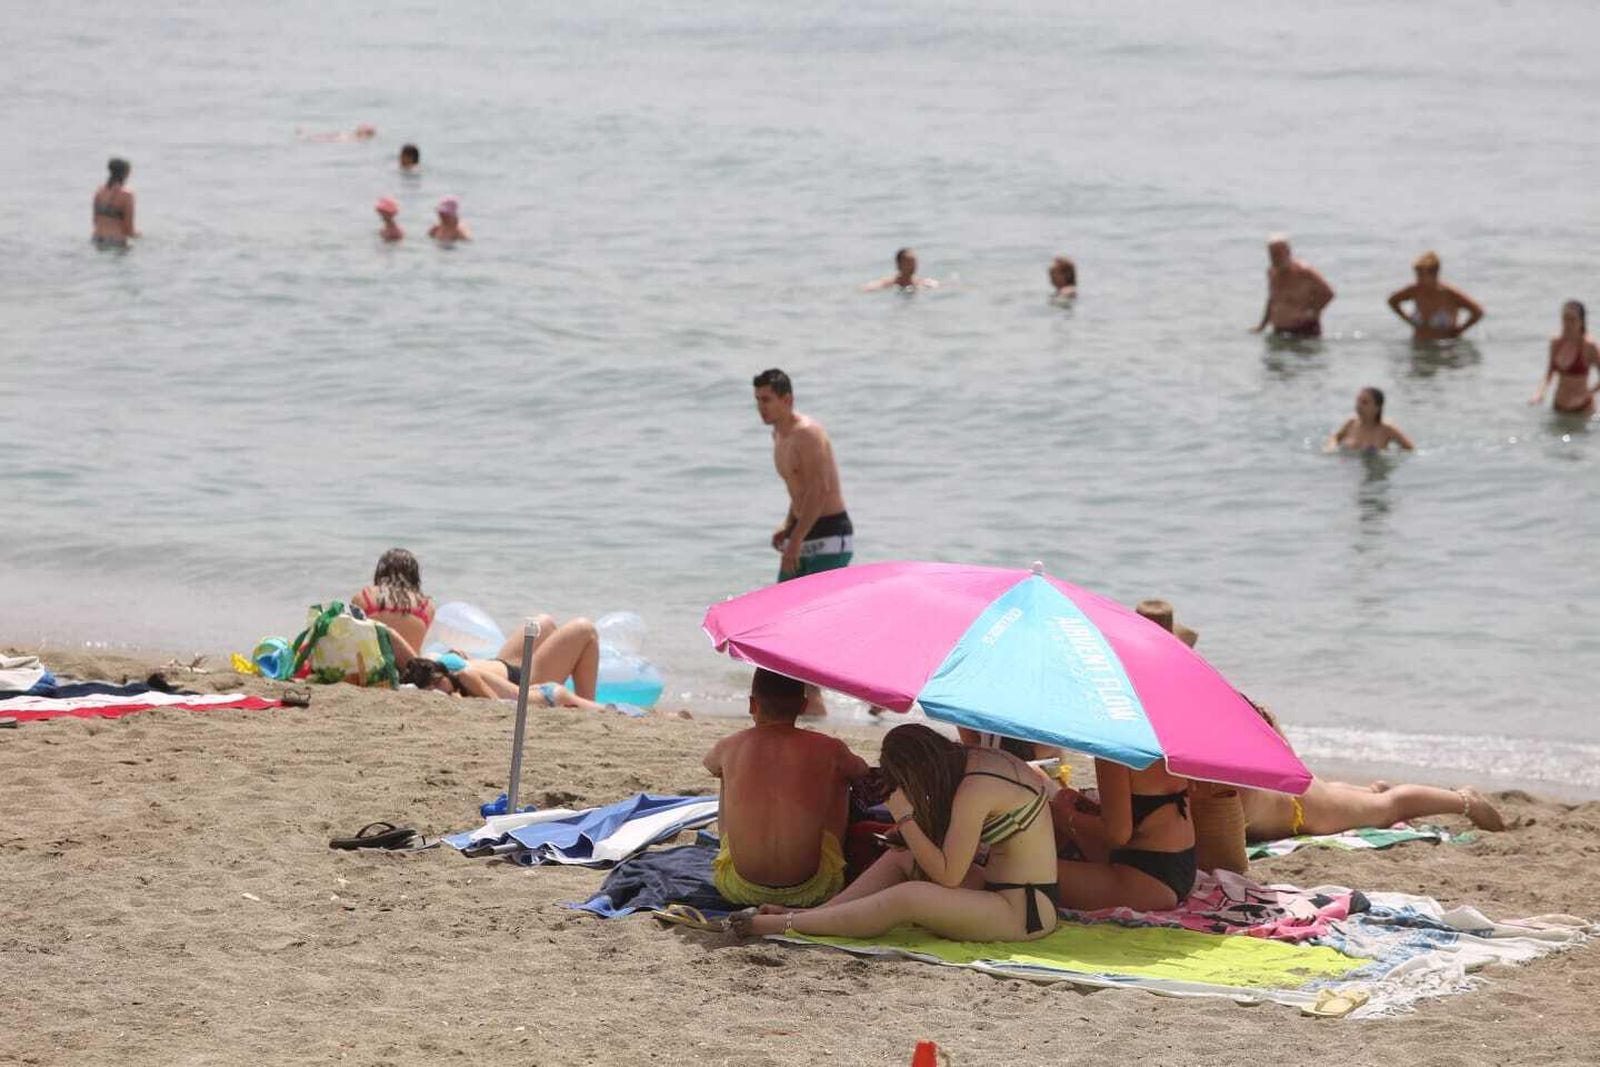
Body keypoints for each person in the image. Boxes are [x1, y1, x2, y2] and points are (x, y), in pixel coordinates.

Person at [730, 723, 1060, 942]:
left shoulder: (975, 790)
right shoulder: (974, 762)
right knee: (902, 856)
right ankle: (813, 915)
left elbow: (949, 876)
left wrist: (904, 817)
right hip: (1000, 891)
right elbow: (957, 852)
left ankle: (783, 925)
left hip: (1024, 912)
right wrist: (908, 834)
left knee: (908, 898)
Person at [703, 669, 871, 909]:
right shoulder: (829, 748)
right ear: (804, 706)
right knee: (840, 776)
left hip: (737, 886)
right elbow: (861, 771)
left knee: (725, 773)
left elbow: (710, 764)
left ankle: (731, 851)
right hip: (817, 887)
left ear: (752, 704)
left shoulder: (730, 745)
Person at [352, 547, 602, 698]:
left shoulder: (365, 598)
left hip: (498, 666)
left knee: (543, 623)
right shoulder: (424, 605)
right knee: (585, 629)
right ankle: (586, 706)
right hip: (515, 681)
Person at [1239, 700, 1505, 838]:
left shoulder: (1225, 792)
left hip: (1302, 805)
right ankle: (1369, 790)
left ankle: (1465, 801)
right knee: (1329, 792)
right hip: (1283, 782)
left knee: (1389, 807)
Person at [753, 369, 852, 583]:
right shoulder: (778, 435)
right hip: (802, 529)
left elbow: (819, 491)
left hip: (829, 532)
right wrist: (788, 525)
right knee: (782, 601)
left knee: (817, 602)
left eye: (767, 400)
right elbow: (799, 489)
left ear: (787, 399)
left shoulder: (807, 433)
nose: (761, 407)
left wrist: (795, 540)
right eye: (758, 400)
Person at [398, 655, 608, 710]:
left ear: (443, 674)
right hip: (541, 695)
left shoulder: (466, 675)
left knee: (606, 711)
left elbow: (497, 705)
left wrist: (456, 698)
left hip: (550, 697)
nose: (439, 690)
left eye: (438, 683)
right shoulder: (461, 683)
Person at [1387, 251, 1484, 341]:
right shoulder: (1415, 290)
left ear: (1434, 274)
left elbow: (1478, 312)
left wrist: (1459, 330)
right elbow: (1392, 301)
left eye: (1421, 275)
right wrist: (1408, 321)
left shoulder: (1449, 294)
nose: (1418, 279)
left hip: (1445, 348)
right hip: (1417, 349)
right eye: (1417, 275)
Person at [1251, 235, 1334, 337]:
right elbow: (1272, 299)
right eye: (1272, 254)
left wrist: (1314, 311)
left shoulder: (1304, 272)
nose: (1275, 258)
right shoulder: (1271, 272)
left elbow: (1329, 293)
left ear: (1288, 252)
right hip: (1279, 330)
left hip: (1304, 330)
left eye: (1278, 253)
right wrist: (1262, 325)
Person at [1531, 300, 1599, 416]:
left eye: (1572, 320)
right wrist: (1539, 393)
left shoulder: (1589, 346)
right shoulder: (1556, 343)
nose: (1568, 324)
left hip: (1582, 408)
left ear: (1581, 322)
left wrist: (1589, 393)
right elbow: (1549, 373)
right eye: (1565, 319)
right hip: (1559, 406)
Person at [1326, 387, 1415, 452]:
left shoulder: (1387, 429)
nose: (1359, 405)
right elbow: (1335, 437)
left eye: (1365, 402)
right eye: (1358, 401)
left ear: (1377, 408)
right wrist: (1330, 447)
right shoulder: (1351, 423)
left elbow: (1410, 449)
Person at [92, 157, 138, 247]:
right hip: (116, 241)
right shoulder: (127, 195)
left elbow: (95, 220)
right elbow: (129, 229)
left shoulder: (99, 192)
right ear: (127, 173)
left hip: (97, 238)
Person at [863, 248, 938, 291]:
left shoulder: (923, 283)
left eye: (913, 263)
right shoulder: (888, 283)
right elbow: (866, 288)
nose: (912, 266)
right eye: (908, 263)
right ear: (898, 265)